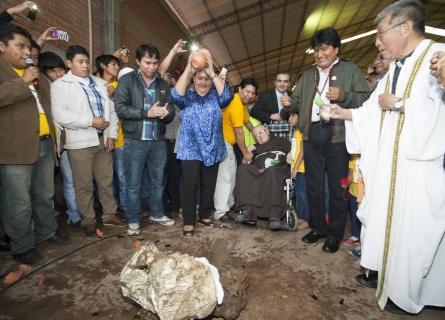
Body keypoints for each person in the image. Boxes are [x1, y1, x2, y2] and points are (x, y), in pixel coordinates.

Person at [329, 0, 445, 314]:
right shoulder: (396, 66)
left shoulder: (438, 57)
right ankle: (394, 286)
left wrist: (400, 104)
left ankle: (411, 295)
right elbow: (373, 110)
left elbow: (434, 113)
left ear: (405, 27)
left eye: (381, 33)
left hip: (420, 167)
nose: (377, 41)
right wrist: (346, 113)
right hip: (394, 167)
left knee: (416, 235)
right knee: (394, 229)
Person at [287, 27, 371, 253]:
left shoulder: (351, 70)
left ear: (336, 49)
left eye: (324, 49)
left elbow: (366, 99)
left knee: (337, 187)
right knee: (314, 185)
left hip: (337, 135)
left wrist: (344, 96)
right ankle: (318, 227)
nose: (319, 54)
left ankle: (334, 233)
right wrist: (291, 105)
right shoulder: (306, 76)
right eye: (316, 50)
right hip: (312, 134)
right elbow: (297, 101)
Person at [0, 23, 69, 265]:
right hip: (15, 150)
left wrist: (55, 138)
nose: (27, 52)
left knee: (44, 195)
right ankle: (22, 246)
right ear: (1, 46)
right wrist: (23, 82)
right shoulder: (9, 73)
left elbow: (46, 109)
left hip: (43, 143)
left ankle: (47, 232)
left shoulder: (34, 73)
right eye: (20, 47)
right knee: (18, 202)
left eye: (28, 47)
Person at [51, 45, 121, 237]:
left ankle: (109, 214)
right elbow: (59, 115)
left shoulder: (100, 83)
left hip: (103, 140)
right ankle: (88, 220)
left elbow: (112, 111)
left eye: (87, 61)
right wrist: (90, 122)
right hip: (80, 143)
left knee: (106, 182)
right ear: (69, 63)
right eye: (80, 62)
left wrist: (112, 135)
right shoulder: (60, 85)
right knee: (83, 185)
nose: (85, 65)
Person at [114, 44, 176, 236]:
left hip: (157, 140)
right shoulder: (127, 80)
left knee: (157, 181)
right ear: (138, 62)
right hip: (135, 140)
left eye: (155, 63)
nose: (151, 67)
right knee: (134, 183)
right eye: (147, 62)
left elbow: (171, 110)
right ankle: (133, 219)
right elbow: (121, 108)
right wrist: (146, 113)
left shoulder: (163, 84)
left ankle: (157, 213)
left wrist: (166, 114)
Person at [170, 49, 233, 237]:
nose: (203, 82)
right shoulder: (186, 97)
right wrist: (189, 69)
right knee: (189, 185)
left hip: (213, 147)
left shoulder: (216, 97)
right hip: (190, 148)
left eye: (206, 79)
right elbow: (175, 95)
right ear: (194, 79)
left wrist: (213, 73)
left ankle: (205, 214)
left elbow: (227, 96)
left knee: (208, 184)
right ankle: (189, 220)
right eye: (199, 78)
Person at [213, 78, 257, 222]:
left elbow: (247, 122)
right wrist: (246, 153)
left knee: (231, 175)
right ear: (240, 89)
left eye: (252, 93)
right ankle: (220, 211)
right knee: (226, 177)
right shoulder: (236, 103)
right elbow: (239, 132)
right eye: (247, 91)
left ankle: (228, 206)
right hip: (223, 141)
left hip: (227, 142)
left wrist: (257, 131)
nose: (249, 95)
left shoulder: (242, 104)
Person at [234, 125, 291, 230]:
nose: (259, 137)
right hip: (259, 169)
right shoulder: (255, 147)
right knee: (243, 169)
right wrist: (247, 153)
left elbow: (293, 151)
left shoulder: (281, 141)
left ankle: (274, 214)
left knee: (271, 170)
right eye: (256, 135)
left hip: (277, 168)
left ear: (267, 131)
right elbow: (245, 162)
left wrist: (290, 155)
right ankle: (248, 210)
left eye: (260, 132)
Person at [281, 109, 310, 230]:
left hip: (303, 168)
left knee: (303, 194)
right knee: (298, 193)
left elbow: (303, 150)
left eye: (293, 115)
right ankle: (302, 217)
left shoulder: (303, 131)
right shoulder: (296, 131)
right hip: (297, 168)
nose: (289, 119)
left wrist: (296, 167)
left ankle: (307, 219)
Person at [251, 72, 293, 140]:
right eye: (279, 81)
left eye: (285, 81)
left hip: (291, 130)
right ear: (275, 83)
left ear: (289, 84)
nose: (282, 84)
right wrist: (270, 116)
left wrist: (292, 102)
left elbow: (303, 110)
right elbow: (254, 111)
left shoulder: (294, 96)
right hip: (272, 132)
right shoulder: (265, 96)